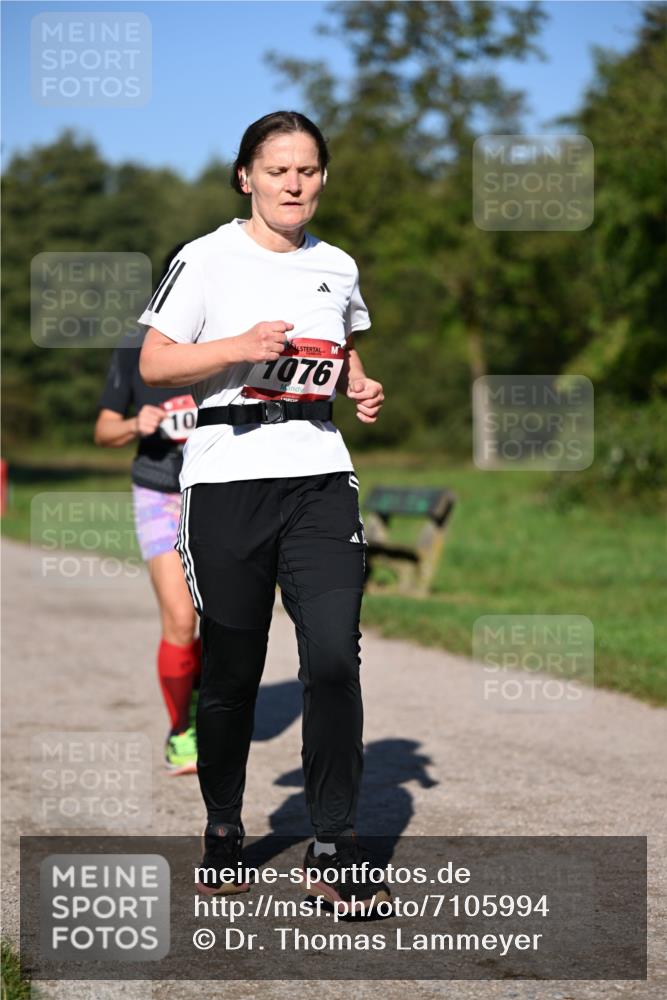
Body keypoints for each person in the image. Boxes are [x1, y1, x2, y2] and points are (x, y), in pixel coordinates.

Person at [139, 110, 390, 914]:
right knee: (233, 670)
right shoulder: (205, 258)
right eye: (277, 169)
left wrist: (358, 384)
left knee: (331, 659)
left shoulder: (338, 266)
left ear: (322, 180)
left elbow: (341, 350)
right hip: (225, 482)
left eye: (308, 170)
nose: (294, 183)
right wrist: (234, 346)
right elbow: (153, 363)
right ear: (246, 176)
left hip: (319, 474)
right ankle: (222, 826)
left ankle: (334, 842)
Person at [94, 246, 201, 775]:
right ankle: (183, 727)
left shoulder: (230, 342)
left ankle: (214, 708)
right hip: (160, 491)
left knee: (227, 623)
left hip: (222, 491)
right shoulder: (136, 347)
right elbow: (103, 430)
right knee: (181, 619)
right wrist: (138, 423)